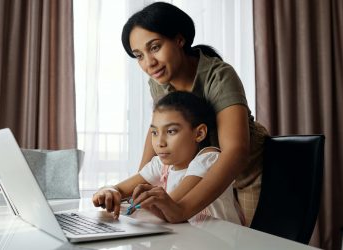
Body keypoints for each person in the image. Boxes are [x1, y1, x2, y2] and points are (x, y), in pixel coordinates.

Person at [120, 2, 268, 226]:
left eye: (155, 47)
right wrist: (141, 185)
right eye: (139, 55)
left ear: (179, 40)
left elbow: (235, 151)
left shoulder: (219, 76)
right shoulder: (158, 82)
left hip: (245, 172)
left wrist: (182, 209)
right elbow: (157, 130)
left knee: (248, 240)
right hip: (201, 170)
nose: (149, 63)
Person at [92, 91, 242, 225]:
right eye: (155, 132)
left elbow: (171, 208)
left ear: (199, 133)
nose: (160, 143)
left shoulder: (209, 159)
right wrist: (108, 191)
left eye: (171, 131)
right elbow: (119, 188)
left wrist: (141, 200)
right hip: (186, 238)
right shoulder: (161, 165)